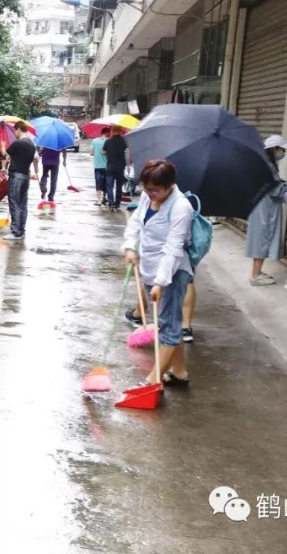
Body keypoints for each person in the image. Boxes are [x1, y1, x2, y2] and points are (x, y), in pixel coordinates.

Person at [122, 159, 194, 387]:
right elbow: (135, 223)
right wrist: (131, 247)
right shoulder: (148, 196)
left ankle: (153, 382)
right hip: (150, 268)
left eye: (155, 189)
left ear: (170, 185)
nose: (150, 193)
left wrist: (161, 282)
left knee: (168, 326)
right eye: (146, 188)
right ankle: (179, 371)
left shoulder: (181, 207)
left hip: (172, 272)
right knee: (167, 321)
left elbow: (173, 248)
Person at [247, 134, 287, 286]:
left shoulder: (264, 164)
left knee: (261, 240)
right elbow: (274, 190)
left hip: (262, 207)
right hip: (265, 209)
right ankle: (256, 276)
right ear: (274, 149)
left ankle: (257, 272)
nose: (283, 152)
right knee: (262, 240)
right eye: (282, 149)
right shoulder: (267, 167)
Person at [4, 120, 37, 240]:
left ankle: (15, 231)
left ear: (18, 129)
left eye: (15, 131)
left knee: (14, 203)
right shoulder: (32, 144)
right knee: (23, 204)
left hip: (16, 176)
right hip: (25, 176)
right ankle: (21, 230)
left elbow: (6, 154)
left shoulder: (18, 143)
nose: (14, 133)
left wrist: (3, 147)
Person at [104, 126, 131, 210]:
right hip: (120, 166)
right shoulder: (124, 141)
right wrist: (128, 165)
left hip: (110, 166)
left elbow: (103, 152)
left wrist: (109, 154)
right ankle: (117, 203)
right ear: (120, 131)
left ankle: (111, 203)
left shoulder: (108, 141)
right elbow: (128, 153)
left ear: (113, 131)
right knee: (119, 186)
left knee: (109, 186)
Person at [91, 127, 110, 207]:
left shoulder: (94, 141)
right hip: (107, 166)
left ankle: (98, 200)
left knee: (98, 182)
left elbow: (91, 153)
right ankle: (104, 198)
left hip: (97, 166)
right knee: (106, 182)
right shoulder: (109, 141)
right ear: (107, 133)